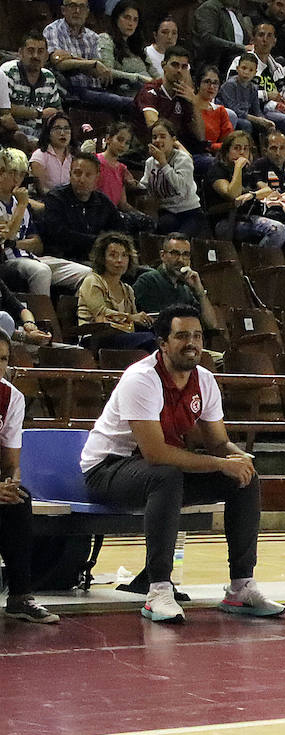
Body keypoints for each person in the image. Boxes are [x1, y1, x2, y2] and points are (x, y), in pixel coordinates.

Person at [80, 305, 285, 623]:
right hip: (108, 469)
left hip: (161, 473)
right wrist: (219, 463)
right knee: (166, 475)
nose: (191, 343)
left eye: (197, 336)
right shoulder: (142, 379)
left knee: (244, 478)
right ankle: (158, 590)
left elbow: (218, 441)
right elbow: (156, 454)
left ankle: (241, 587)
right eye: (181, 336)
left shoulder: (204, 380)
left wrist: (238, 458)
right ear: (162, 343)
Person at [0, 331, 58, 623]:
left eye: (3, 359)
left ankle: (20, 596)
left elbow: (11, 462)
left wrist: (9, 484)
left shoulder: (11, 397)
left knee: (19, 498)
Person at [0, 148, 91, 298]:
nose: (17, 180)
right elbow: (5, 240)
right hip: (8, 261)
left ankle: (70, 316)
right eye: (12, 173)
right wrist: (22, 205)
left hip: (31, 257)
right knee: (41, 271)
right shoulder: (22, 202)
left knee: (86, 274)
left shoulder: (20, 202)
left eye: (21, 174)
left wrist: (15, 244)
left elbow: (37, 244)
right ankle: (43, 319)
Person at [208, 131, 285, 249]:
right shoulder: (217, 170)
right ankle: (261, 262)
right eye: (236, 148)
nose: (242, 152)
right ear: (226, 151)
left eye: (245, 149)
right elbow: (232, 195)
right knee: (276, 230)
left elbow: (268, 190)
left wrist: (252, 195)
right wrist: (237, 168)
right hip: (227, 220)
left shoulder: (249, 170)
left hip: (250, 216)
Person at [39, 152, 130, 263]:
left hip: (97, 258)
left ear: (97, 177)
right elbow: (60, 236)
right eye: (77, 173)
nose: (82, 179)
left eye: (88, 175)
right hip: (64, 259)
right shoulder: (56, 198)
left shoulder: (103, 202)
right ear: (70, 174)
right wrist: (100, 242)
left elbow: (120, 231)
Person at [45, 0, 134, 112]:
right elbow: (58, 62)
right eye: (73, 6)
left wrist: (72, 58)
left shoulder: (93, 37)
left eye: (82, 7)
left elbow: (99, 71)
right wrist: (91, 63)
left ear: (87, 12)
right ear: (63, 10)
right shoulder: (53, 30)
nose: (77, 11)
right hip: (71, 90)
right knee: (126, 103)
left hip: (96, 88)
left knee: (134, 101)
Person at [77, 230, 155, 351]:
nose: (119, 260)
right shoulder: (93, 281)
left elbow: (134, 322)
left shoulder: (128, 289)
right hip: (95, 338)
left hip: (123, 336)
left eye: (124, 255)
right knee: (149, 339)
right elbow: (101, 313)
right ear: (102, 258)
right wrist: (131, 317)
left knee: (161, 336)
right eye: (113, 255)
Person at [2, 32, 65, 148]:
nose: (35, 56)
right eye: (30, 51)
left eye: (40, 52)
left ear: (46, 56)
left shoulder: (49, 77)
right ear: (20, 53)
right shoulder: (8, 72)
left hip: (40, 132)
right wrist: (39, 113)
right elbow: (4, 109)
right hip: (12, 131)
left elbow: (57, 111)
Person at [132, 233, 214, 316]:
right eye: (175, 253)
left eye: (185, 254)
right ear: (162, 255)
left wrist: (200, 292)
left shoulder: (185, 289)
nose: (180, 260)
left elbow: (212, 325)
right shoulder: (148, 281)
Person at [99, 0, 153, 95]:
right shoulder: (106, 39)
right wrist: (137, 77)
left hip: (148, 93)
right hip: (125, 94)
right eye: (127, 18)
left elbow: (153, 71)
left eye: (135, 20)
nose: (131, 23)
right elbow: (107, 71)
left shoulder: (137, 45)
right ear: (116, 18)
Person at [192, 0, 252, 73]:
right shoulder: (209, 8)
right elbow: (207, 39)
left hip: (236, 65)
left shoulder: (237, 13)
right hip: (214, 67)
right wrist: (241, 48)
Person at [30, 111, 75, 194]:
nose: (62, 133)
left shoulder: (74, 158)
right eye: (57, 128)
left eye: (66, 128)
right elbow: (41, 189)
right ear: (48, 133)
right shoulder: (40, 156)